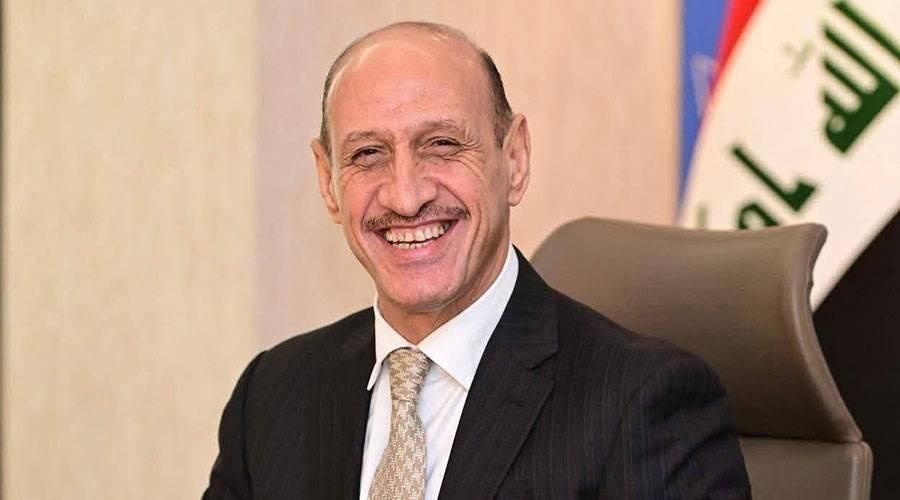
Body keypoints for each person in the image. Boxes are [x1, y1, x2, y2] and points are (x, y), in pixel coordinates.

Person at [203, 21, 751, 500]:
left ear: (514, 160)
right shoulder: (272, 395)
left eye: (442, 144)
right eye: (368, 154)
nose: (405, 196)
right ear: (328, 183)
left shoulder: (643, 403)